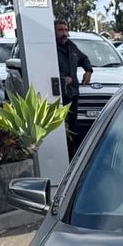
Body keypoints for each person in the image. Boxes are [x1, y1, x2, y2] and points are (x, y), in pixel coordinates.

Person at [55, 20, 93, 155]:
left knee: (72, 127)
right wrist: (61, 78)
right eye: (60, 30)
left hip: (73, 93)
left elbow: (84, 58)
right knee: (60, 129)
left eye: (65, 30)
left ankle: (72, 155)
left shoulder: (71, 46)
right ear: (54, 31)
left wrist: (88, 71)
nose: (64, 33)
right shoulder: (50, 48)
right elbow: (44, 67)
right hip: (58, 95)